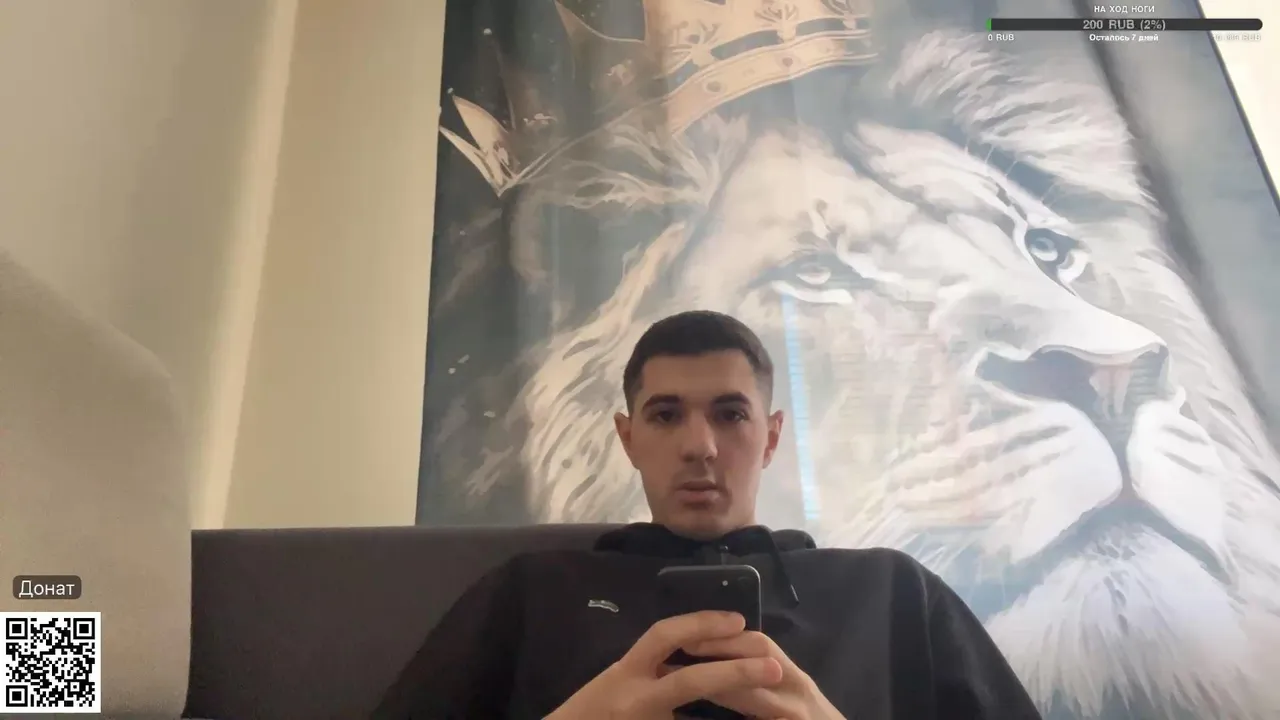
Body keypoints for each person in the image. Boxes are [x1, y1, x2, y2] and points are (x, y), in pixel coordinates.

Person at [374, 310, 1043, 720]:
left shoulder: (892, 592)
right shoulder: (532, 592)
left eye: (730, 414)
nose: (699, 445)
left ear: (771, 437)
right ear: (628, 438)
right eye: (666, 415)